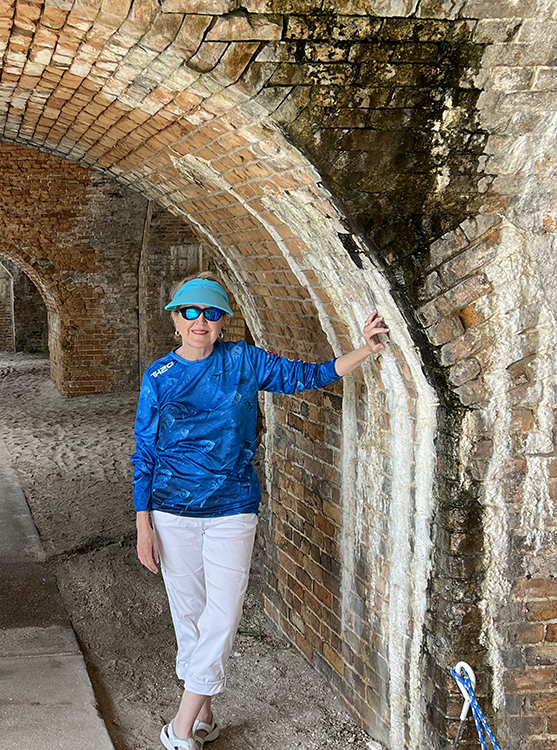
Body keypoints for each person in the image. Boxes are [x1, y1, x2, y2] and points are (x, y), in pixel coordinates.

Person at [132, 273, 388, 750]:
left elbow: (307, 375)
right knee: (188, 617)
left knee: (223, 615)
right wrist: (143, 521)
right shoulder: (158, 376)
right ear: (175, 320)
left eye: (211, 313)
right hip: (171, 512)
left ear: (223, 322)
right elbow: (144, 450)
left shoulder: (244, 361)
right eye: (190, 312)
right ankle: (204, 711)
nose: (200, 321)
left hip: (232, 509)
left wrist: (365, 350)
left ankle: (180, 729)